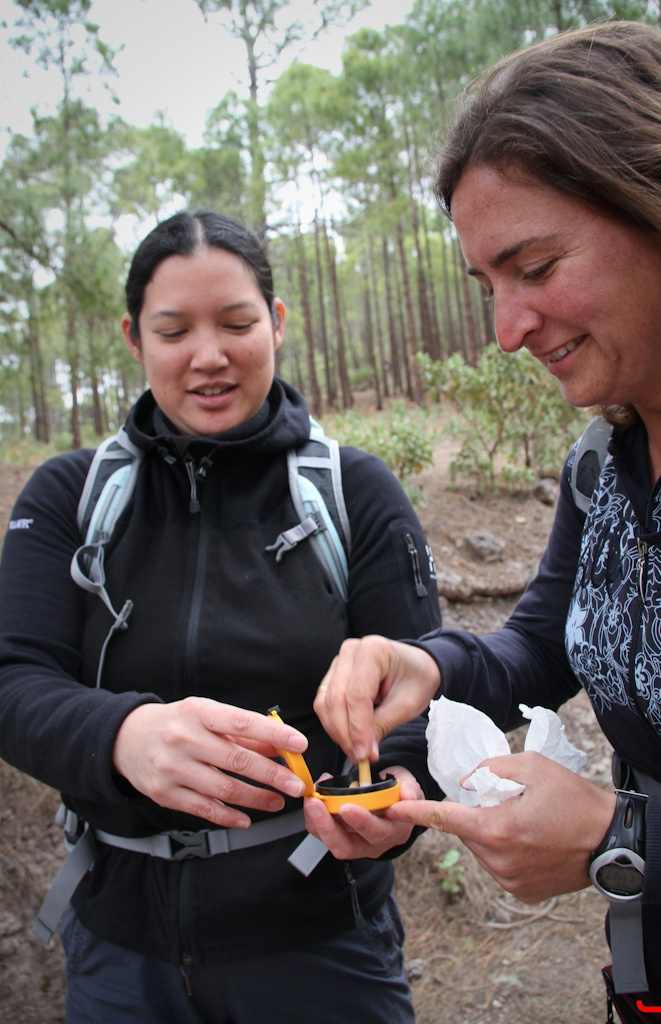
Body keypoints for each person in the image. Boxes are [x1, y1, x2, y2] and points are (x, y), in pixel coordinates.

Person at [307, 20, 661, 1018]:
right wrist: (423, 665)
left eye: (535, 267)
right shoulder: (603, 462)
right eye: (486, 287)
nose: (506, 331)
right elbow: (541, 646)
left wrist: (624, 837)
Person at [0, 210, 443, 1024]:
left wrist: (402, 794)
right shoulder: (69, 496)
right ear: (134, 339)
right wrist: (120, 736)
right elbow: (12, 679)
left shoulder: (354, 490)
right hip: (120, 948)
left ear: (276, 322)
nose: (208, 356)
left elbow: (421, 687)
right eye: (174, 331)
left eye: (237, 324)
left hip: (322, 941)